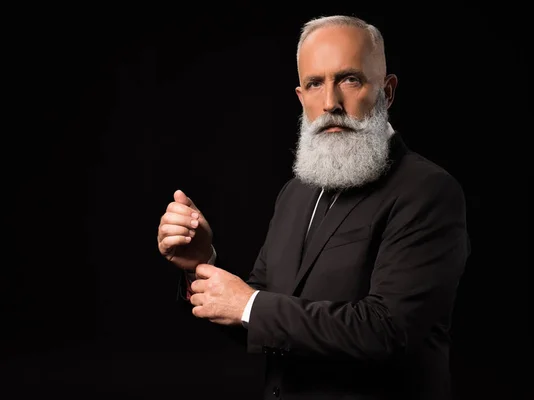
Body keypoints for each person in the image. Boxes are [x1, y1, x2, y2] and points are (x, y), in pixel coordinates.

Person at [157, 15, 470, 400]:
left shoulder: (428, 191)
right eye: (315, 84)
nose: (330, 103)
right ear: (301, 98)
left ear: (387, 92)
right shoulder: (296, 192)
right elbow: (253, 314)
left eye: (349, 79)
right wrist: (199, 264)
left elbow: (388, 330)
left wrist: (249, 304)